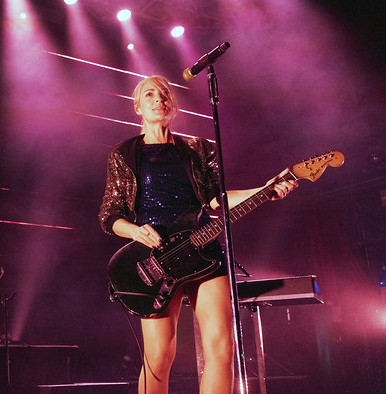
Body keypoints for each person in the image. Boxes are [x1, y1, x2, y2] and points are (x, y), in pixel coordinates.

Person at [98, 75, 298, 394]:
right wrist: (135, 231)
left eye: (164, 94)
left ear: (173, 106)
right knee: (159, 356)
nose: (158, 98)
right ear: (137, 106)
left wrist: (264, 190)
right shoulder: (123, 154)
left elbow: (215, 199)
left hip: (203, 249)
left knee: (222, 347)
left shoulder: (198, 149)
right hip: (156, 259)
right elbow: (110, 216)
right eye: (149, 94)